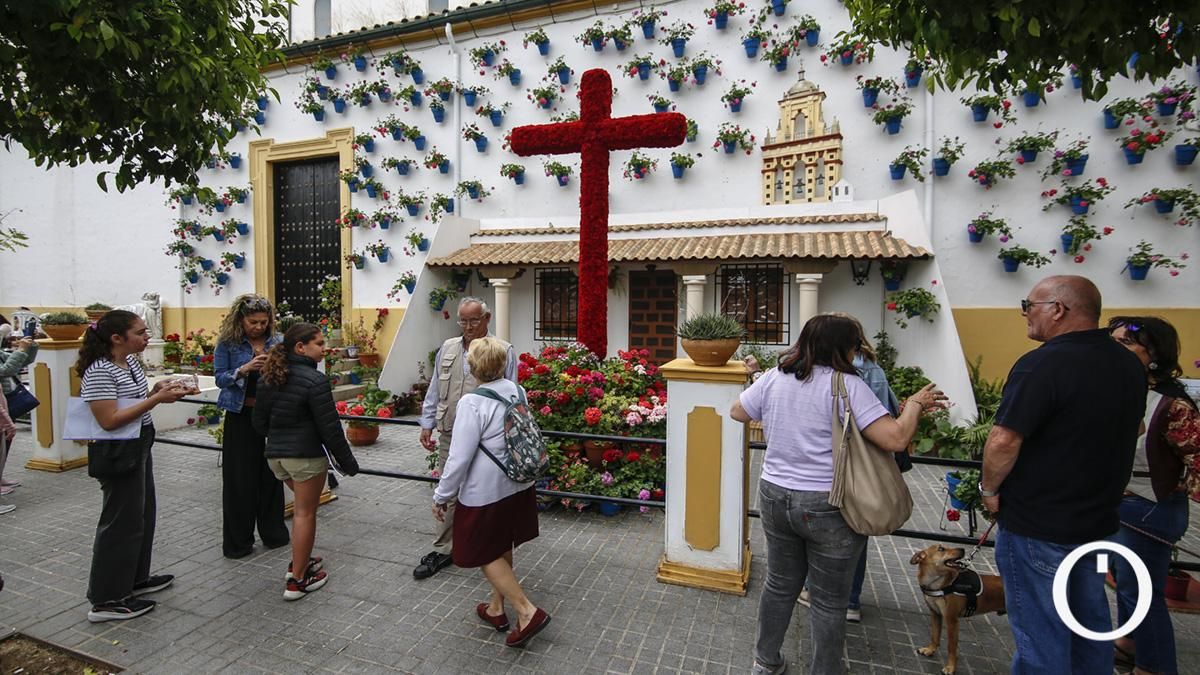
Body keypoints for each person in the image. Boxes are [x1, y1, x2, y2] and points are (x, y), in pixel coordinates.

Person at [730, 313, 945, 675]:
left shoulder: (775, 377)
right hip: (827, 503)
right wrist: (916, 406)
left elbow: (738, 411)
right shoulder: (848, 385)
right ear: (846, 348)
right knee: (830, 602)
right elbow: (895, 438)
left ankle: (765, 663)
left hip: (774, 495)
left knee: (780, 585)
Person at [979, 276, 1146, 674]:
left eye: (1029, 304)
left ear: (1058, 309)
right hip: (1097, 523)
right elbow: (1132, 429)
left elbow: (1004, 440)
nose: (1024, 313)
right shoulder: (1128, 363)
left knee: (1042, 638)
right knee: (1089, 629)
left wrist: (989, 489)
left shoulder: (1042, 363)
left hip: (1039, 525)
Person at [432, 337, 550, 647]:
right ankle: (496, 608)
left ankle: (526, 611)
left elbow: (458, 458)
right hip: (518, 482)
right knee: (501, 542)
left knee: (481, 550)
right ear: (501, 364)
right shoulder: (516, 390)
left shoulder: (472, 402)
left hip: (485, 491)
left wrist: (442, 495)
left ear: (472, 367)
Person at [77, 310, 190, 622]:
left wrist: (156, 391)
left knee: (141, 514)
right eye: (140, 333)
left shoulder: (129, 363)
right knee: (119, 522)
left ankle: (133, 579)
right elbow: (108, 419)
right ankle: (106, 599)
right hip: (117, 451)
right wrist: (155, 401)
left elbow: (133, 400)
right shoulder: (100, 371)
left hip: (138, 444)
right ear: (117, 338)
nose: (146, 338)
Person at [796, 315, 907, 623]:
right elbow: (887, 420)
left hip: (822, 470)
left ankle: (820, 593)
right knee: (854, 530)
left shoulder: (813, 373)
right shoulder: (871, 371)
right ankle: (848, 599)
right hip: (857, 467)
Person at [1107, 316, 1199, 675]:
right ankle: (1129, 645)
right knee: (1124, 582)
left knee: (1142, 594)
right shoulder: (1120, 389)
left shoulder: (1171, 405)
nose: (1114, 349)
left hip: (1148, 508)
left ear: (1154, 356)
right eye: (1111, 341)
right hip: (1119, 504)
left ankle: (1155, 666)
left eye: (1126, 343)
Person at [253, 322, 359, 600]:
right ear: (301, 347)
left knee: (302, 512)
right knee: (304, 514)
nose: (325, 348)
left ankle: (300, 562)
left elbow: (259, 423)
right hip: (305, 458)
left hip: (276, 458)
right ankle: (298, 580)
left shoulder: (267, 377)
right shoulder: (315, 380)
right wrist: (348, 463)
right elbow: (330, 428)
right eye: (320, 344)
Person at [415, 297, 516, 580]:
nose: (468, 326)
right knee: (448, 485)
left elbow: (513, 397)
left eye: (474, 320)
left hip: (488, 443)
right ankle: (445, 548)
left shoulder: (502, 350)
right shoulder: (448, 348)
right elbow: (435, 388)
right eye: (463, 320)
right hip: (450, 432)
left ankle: (488, 547)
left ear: (487, 318)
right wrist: (427, 422)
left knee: (483, 495)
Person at [214, 294, 288, 559]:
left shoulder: (277, 342)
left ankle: (274, 534)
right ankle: (238, 542)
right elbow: (220, 378)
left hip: (270, 416)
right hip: (241, 415)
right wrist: (244, 369)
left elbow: (288, 374)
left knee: (271, 476)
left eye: (263, 322)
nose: (258, 327)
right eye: (253, 322)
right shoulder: (228, 344)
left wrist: (274, 366)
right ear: (240, 320)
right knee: (239, 480)